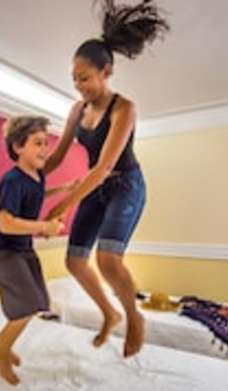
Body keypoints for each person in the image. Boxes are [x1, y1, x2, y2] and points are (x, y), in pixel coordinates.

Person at [44, 0, 170, 358]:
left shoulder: (124, 108)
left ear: (106, 71)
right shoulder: (77, 110)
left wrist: (62, 206)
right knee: (74, 261)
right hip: (96, 188)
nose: (78, 85)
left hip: (125, 185)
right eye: (74, 79)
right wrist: (30, 177)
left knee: (108, 261)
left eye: (84, 77)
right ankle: (109, 312)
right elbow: (57, 156)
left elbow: (103, 167)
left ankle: (134, 317)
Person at [0, 115, 78, 385]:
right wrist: (44, 227)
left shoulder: (36, 176)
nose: (45, 149)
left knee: (39, 301)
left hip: (22, 247)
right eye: (38, 143)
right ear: (18, 147)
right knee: (25, 306)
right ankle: (0, 351)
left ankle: (1, 340)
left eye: (46, 143)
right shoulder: (12, 180)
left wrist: (61, 190)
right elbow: (5, 223)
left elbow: (35, 194)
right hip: (3, 249)